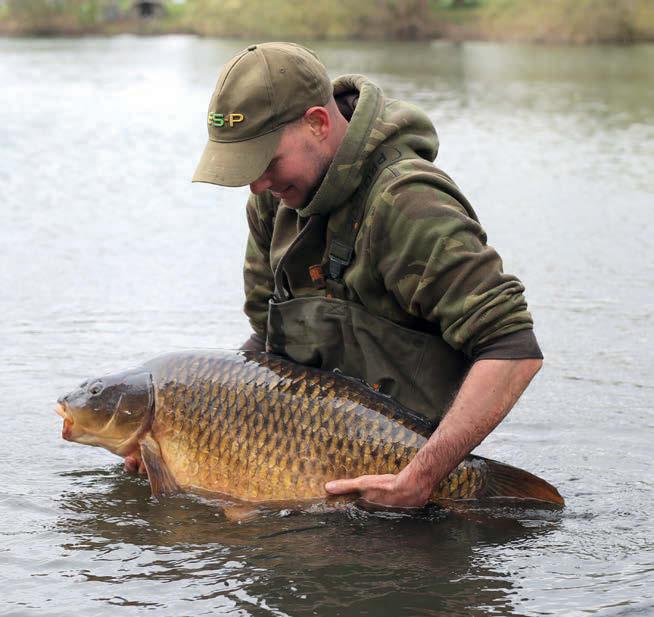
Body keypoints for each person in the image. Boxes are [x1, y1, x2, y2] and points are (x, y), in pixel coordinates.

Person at [126, 41, 543, 508]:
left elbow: (512, 348)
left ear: (318, 124)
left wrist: (422, 476)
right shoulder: (271, 202)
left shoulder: (406, 203)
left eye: (266, 162)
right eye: (246, 167)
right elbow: (265, 345)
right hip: (317, 467)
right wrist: (188, 435)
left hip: (418, 478)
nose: (257, 184)